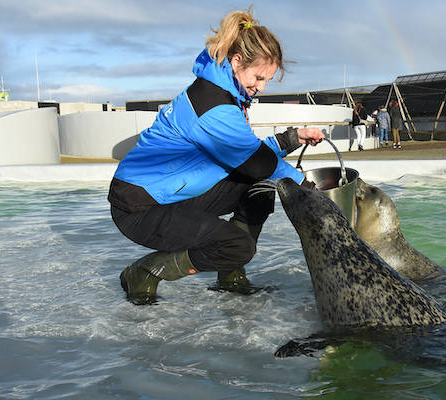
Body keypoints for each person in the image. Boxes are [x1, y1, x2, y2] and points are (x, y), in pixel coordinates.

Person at [108, 8, 325, 305]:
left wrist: (290, 139)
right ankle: (145, 272)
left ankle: (230, 276)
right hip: (139, 205)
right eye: (259, 77)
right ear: (237, 62)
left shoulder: (223, 92)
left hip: (172, 191)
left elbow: (247, 155)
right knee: (239, 245)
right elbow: (257, 163)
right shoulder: (213, 105)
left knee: (259, 189)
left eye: (267, 80)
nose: (261, 88)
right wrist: (308, 188)